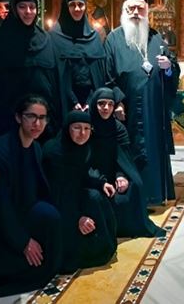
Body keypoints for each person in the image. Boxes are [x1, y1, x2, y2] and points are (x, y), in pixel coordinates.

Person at [104, 0, 180, 205]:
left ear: (147, 10)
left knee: (153, 149)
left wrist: (169, 68)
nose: (136, 13)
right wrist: (117, 102)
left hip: (154, 109)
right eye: (131, 8)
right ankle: (133, 198)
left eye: (140, 8)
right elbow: (107, 76)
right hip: (126, 110)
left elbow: (172, 71)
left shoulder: (156, 38)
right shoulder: (113, 40)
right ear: (124, 10)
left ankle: (154, 195)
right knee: (130, 150)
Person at [0, 95, 62, 295]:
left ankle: (43, 271)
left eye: (42, 118)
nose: (37, 123)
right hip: (2, 218)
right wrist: (23, 241)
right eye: (31, 116)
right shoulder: (2, 151)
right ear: (18, 118)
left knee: (52, 216)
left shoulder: (35, 148)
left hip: (25, 209)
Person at [0, 0, 62, 139]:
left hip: (42, 120)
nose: (28, 12)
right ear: (14, 9)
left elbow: (54, 79)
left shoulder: (46, 39)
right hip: (10, 118)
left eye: (32, 7)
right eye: (22, 7)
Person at [43, 111, 118, 273]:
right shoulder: (54, 152)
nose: (82, 133)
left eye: (87, 128)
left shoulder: (83, 148)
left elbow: (80, 176)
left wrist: (101, 183)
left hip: (72, 193)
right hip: (56, 203)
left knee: (96, 197)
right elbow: (56, 192)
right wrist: (77, 217)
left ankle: (100, 247)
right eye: (77, 128)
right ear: (67, 128)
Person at [87, 87, 166, 237]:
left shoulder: (118, 127)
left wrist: (121, 175)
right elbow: (85, 158)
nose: (106, 108)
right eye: (101, 103)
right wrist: (100, 180)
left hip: (113, 170)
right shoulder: (87, 126)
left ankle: (125, 228)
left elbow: (124, 156)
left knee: (135, 185)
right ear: (94, 104)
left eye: (110, 104)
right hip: (92, 172)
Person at [50, 0, 109, 111]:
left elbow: (99, 74)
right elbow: (55, 74)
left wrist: (91, 100)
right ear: (65, 7)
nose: (77, 9)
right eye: (72, 5)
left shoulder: (94, 37)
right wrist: (72, 101)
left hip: (91, 102)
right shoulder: (54, 37)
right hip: (64, 102)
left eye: (80, 4)